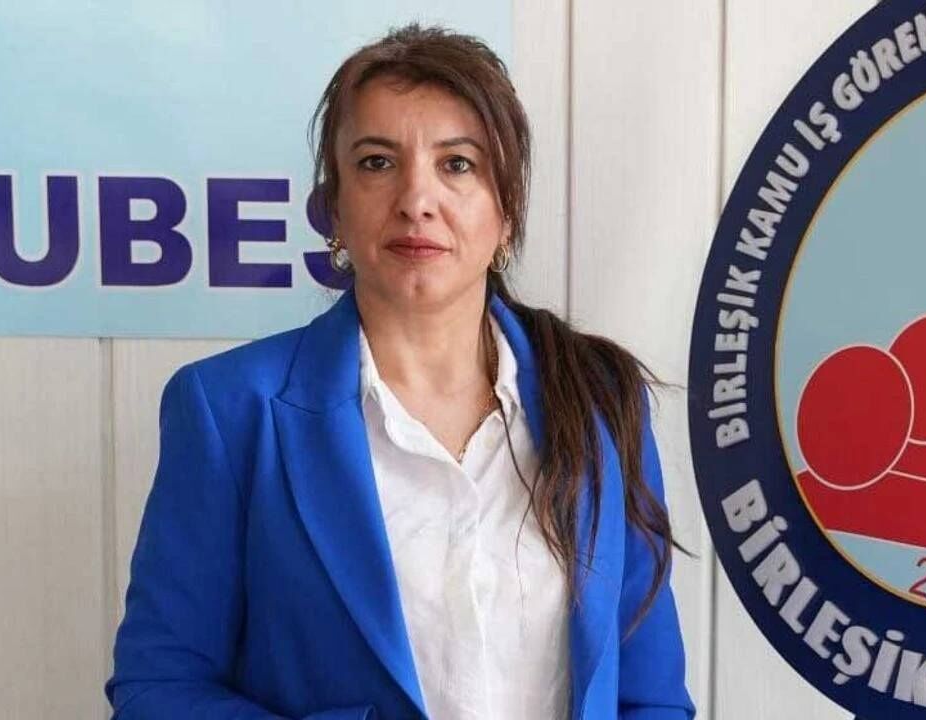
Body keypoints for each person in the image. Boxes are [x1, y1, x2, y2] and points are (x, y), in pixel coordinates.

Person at [106, 23, 695, 720]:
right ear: (334, 206)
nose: (417, 199)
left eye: (458, 164)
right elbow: (157, 690)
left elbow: (651, 698)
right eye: (378, 162)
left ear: (507, 211)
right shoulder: (229, 411)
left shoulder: (599, 397)